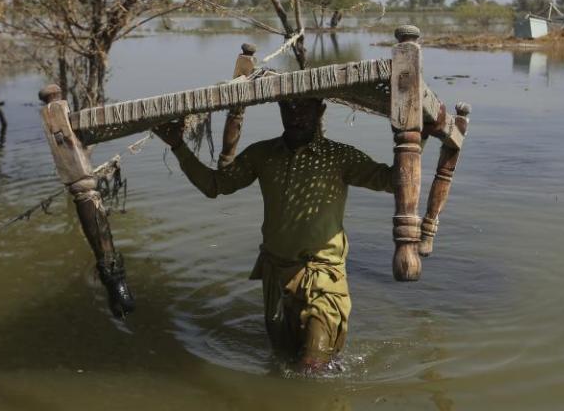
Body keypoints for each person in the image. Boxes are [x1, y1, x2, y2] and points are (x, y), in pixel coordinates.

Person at [153, 98, 394, 372]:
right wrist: (178, 146)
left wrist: (415, 139)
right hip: (275, 277)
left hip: (322, 278)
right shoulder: (263, 154)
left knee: (312, 365)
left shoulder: (339, 157)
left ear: (320, 111)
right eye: (288, 108)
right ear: (279, 110)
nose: (296, 116)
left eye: (304, 108)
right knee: (282, 364)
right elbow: (215, 185)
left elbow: (391, 180)